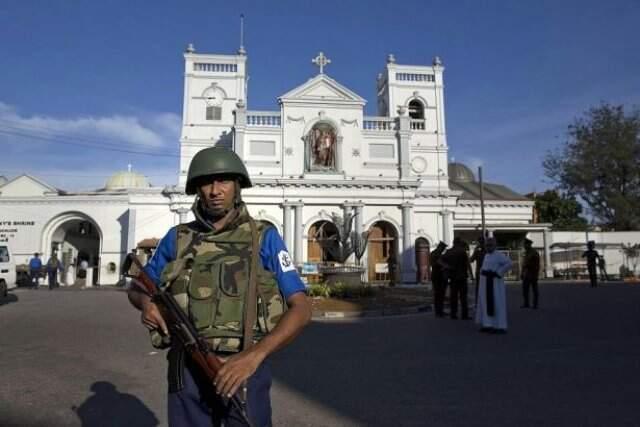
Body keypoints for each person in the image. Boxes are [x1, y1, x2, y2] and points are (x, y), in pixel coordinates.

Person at [127, 147, 312, 426]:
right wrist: (147, 304)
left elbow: (302, 307)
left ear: (237, 186)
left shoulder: (263, 236)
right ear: (196, 189)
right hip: (187, 365)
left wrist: (255, 356)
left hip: (245, 365)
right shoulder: (177, 238)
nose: (215, 190)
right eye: (206, 182)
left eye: (223, 180)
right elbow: (138, 288)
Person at [475, 237, 512, 334]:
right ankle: (488, 324)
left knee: (497, 303)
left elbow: (509, 263)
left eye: (490, 245)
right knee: (485, 303)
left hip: (494, 283)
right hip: (485, 283)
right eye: (487, 245)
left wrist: (498, 273)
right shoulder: (486, 255)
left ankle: (500, 326)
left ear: (495, 246)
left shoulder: (499, 255)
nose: (488, 247)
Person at [440, 237, 472, 320]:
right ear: (459, 243)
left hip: (453, 277)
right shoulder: (462, 252)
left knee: (453, 296)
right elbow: (468, 264)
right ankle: (464, 315)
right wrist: (472, 276)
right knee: (463, 297)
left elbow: (439, 260)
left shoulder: (449, 252)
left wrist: (446, 266)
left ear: (453, 243)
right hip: (462, 277)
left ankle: (453, 314)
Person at [521, 238, 540, 309]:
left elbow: (536, 264)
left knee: (534, 290)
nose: (524, 246)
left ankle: (535, 304)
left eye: (525, 244)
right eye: (524, 245)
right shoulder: (527, 252)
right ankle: (526, 303)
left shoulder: (534, 252)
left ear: (529, 244)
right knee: (525, 290)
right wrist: (522, 273)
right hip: (527, 274)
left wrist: (536, 273)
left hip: (533, 273)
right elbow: (524, 264)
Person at [430, 241, 448, 317]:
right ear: (440, 247)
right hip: (438, 276)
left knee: (439, 295)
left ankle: (439, 311)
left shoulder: (434, 253)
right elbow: (439, 262)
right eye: (443, 248)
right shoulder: (436, 253)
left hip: (436, 275)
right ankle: (439, 312)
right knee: (439, 294)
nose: (443, 250)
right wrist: (447, 266)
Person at [470, 236, 486, 304]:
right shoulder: (487, 249)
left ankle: (478, 302)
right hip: (486, 272)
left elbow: (471, 259)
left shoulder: (478, 249)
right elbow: (472, 259)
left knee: (479, 288)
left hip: (481, 271)